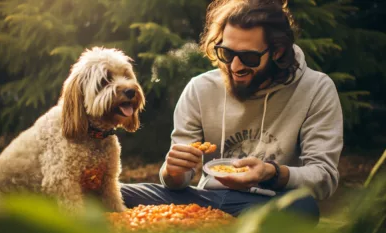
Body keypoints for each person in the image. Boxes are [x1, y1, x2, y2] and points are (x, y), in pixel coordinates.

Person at [121, 0, 343, 224]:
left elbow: (324, 177)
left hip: (270, 201)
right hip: (205, 197)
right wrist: (173, 171)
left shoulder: (316, 89)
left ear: (278, 51)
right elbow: (177, 181)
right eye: (226, 53)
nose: (235, 66)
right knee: (114, 193)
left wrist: (272, 173)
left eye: (249, 57)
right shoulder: (200, 88)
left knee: (303, 208)